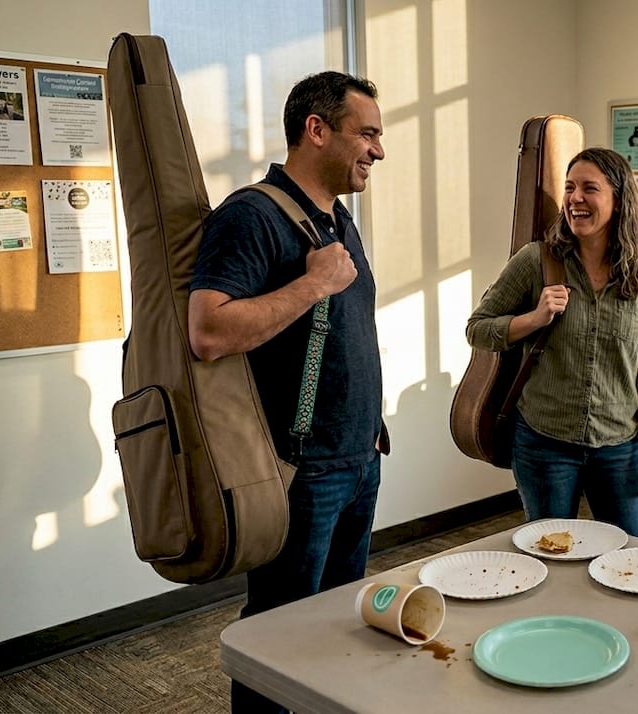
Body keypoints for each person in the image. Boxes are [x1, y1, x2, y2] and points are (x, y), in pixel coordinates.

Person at [187, 71, 387, 712]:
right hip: (298, 470)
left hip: (357, 460)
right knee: (275, 635)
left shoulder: (337, 219)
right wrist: (310, 286)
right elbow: (209, 330)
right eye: (368, 133)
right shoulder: (251, 216)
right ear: (317, 130)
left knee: (337, 625)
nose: (378, 150)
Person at [466, 148, 638, 538]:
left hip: (618, 446)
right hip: (544, 444)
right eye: (569, 188)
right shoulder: (537, 261)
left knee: (629, 559)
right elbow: (477, 328)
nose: (575, 198)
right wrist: (533, 319)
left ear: (618, 198)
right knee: (549, 560)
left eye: (589, 188)